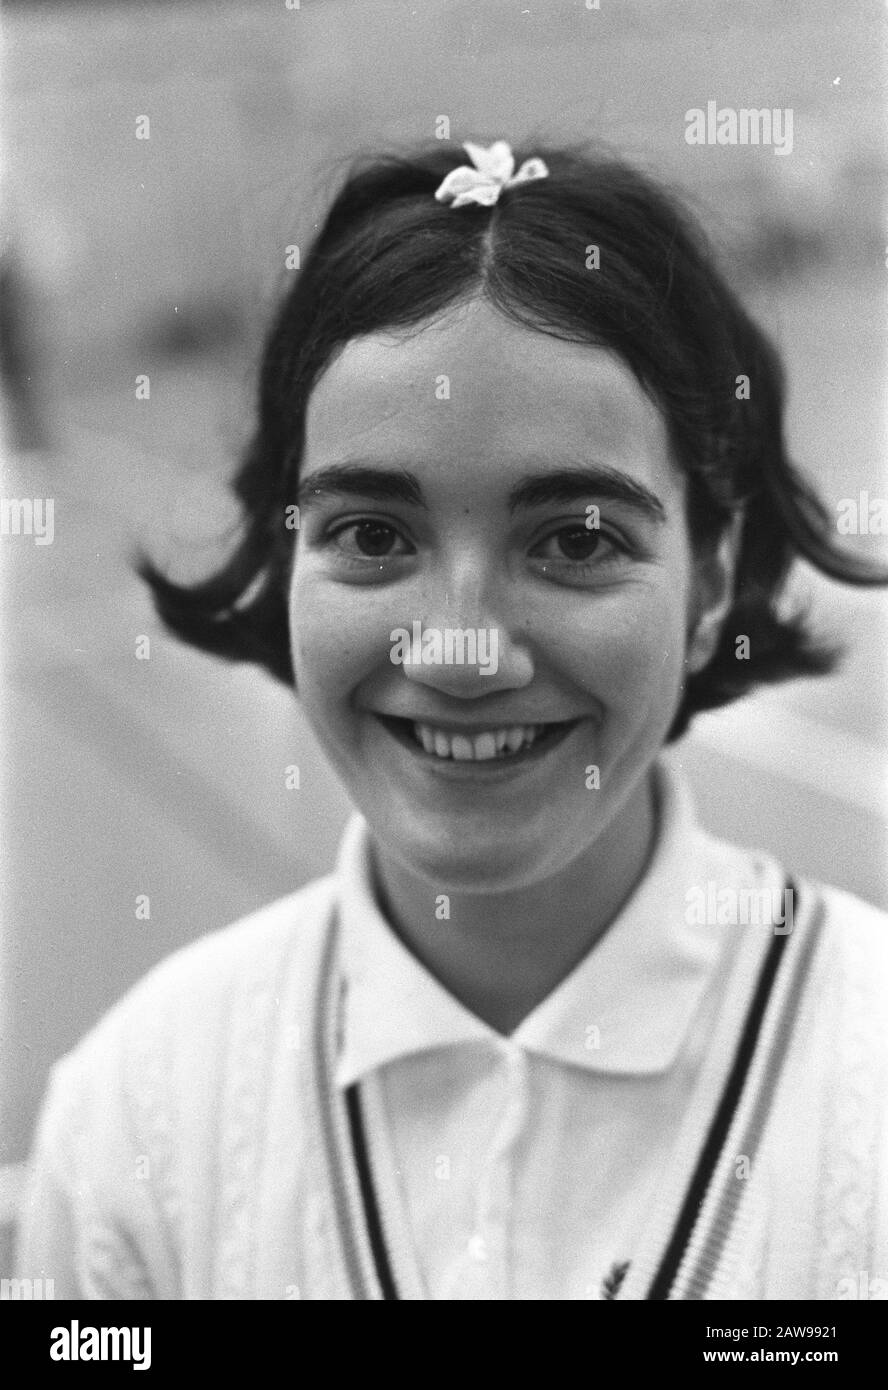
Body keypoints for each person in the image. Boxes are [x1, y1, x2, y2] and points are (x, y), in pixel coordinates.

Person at [16, 139, 888, 1300]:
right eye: (373, 535)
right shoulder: (134, 1118)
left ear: (712, 584)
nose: (461, 647)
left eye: (576, 539)